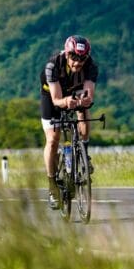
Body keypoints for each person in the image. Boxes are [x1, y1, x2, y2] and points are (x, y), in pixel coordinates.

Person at [39, 35, 98, 209]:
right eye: (74, 57)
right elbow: (57, 100)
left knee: (84, 110)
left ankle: (84, 153)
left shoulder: (91, 66)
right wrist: (66, 102)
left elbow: (89, 93)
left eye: (82, 58)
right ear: (67, 54)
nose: (78, 62)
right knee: (52, 140)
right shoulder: (53, 66)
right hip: (51, 97)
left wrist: (84, 101)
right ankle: (52, 187)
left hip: (74, 90)